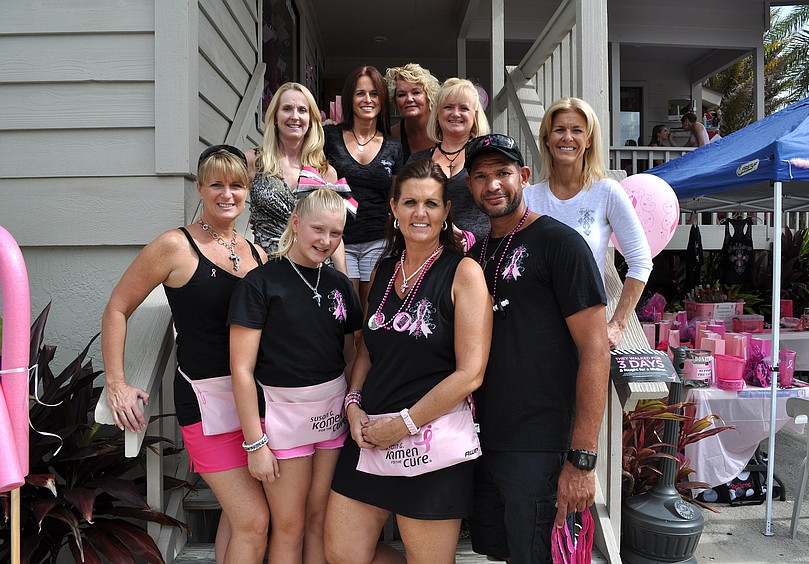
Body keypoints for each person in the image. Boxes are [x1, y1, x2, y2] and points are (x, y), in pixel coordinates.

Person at [102, 146, 269, 563]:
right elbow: (117, 308)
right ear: (200, 188)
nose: (227, 194)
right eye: (216, 184)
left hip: (253, 405)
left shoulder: (258, 254)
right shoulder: (174, 246)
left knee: (238, 519)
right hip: (203, 403)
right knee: (254, 520)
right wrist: (116, 381)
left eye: (236, 185)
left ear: (247, 191)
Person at [325, 159, 492, 564]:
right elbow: (367, 348)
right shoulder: (384, 269)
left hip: (430, 441)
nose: (421, 213)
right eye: (411, 202)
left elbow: (471, 374)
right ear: (394, 208)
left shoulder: (464, 273)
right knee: (342, 554)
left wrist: (403, 425)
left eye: (432, 204)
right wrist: (353, 404)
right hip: (371, 435)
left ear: (446, 211)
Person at [463, 134, 610, 564]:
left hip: (543, 445)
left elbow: (596, 351)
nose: (493, 185)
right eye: (481, 176)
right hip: (486, 440)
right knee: (504, 552)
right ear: (470, 187)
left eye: (503, 173)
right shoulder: (478, 253)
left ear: (524, 177)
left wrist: (582, 460)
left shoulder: (561, 245)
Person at [229, 188, 362, 563]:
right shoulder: (260, 284)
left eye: (335, 233)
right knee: (289, 525)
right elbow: (241, 369)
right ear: (296, 223)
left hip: (331, 417)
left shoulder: (339, 285)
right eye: (318, 229)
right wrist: (255, 444)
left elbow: (350, 352)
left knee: (319, 519)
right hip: (283, 419)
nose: (325, 240)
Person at [524, 97, 653, 349]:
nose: (567, 138)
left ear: (589, 140)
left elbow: (641, 261)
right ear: (547, 140)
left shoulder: (606, 192)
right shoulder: (528, 197)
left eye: (577, 131)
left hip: (585, 331)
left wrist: (617, 325)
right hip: (533, 330)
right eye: (559, 130)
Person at [324, 66, 404, 309]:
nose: (367, 100)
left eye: (374, 94)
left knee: (371, 312)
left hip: (377, 241)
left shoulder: (393, 147)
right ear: (350, 98)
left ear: (382, 100)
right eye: (360, 93)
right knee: (346, 313)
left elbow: (394, 199)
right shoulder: (329, 137)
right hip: (338, 240)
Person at [246, 82, 346, 272]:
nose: (295, 116)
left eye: (302, 110)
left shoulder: (326, 172)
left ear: (311, 119)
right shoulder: (254, 161)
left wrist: (344, 280)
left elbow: (334, 232)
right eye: (287, 109)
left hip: (316, 271)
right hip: (269, 270)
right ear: (275, 116)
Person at [408, 77, 492, 245]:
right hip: (430, 250)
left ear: (474, 115)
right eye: (448, 107)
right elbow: (407, 206)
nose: (455, 113)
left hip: (481, 251)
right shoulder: (417, 160)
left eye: (464, 108)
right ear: (438, 114)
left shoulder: (487, 156)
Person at [385, 63, 441, 162]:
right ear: (395, 101)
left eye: (416, 92)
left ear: (429, 96)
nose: (409, 99)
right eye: (402, 95)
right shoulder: (391, 136)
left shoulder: (445, 130)